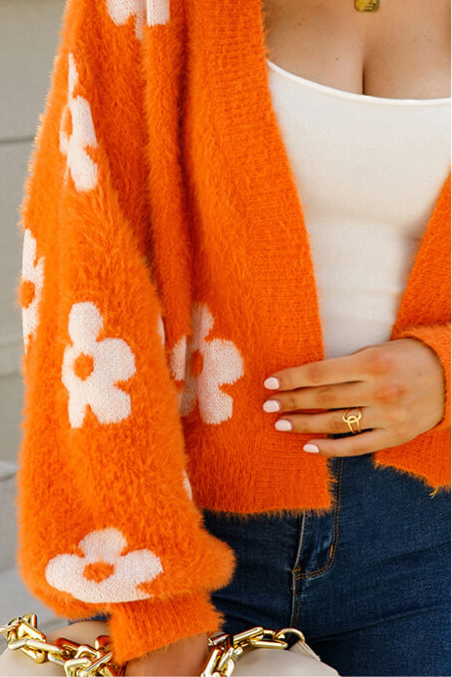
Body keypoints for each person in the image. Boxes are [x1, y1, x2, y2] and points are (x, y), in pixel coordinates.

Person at [15, 1, 452, 676]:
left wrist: (446, 373)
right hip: (193, 540)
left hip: (431, 543)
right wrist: (149, 596)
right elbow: (84, 274)